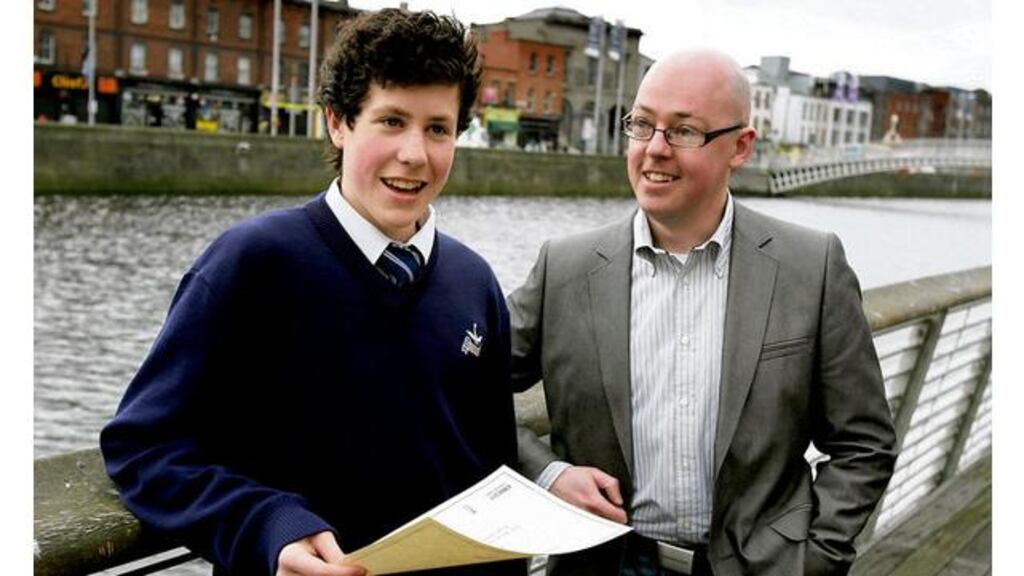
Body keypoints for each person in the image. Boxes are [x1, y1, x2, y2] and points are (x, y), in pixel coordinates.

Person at [101, 9, 523, 576]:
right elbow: (143, 447)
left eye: (438, 128)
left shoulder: (476, 283)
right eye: (391, 121)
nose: (415, 153)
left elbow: (492, 473)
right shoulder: (252, 263)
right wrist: (266, 526)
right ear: (338, 122)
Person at [509, 50, 897, 576]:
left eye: (684, 132)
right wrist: (546, 471)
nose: (654, 150)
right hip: (604, 565)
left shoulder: (812, 267)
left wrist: (813, 561)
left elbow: (863, 443)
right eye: (642, 125)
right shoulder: (565, 268)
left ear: (740, 147)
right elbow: (461, 391)